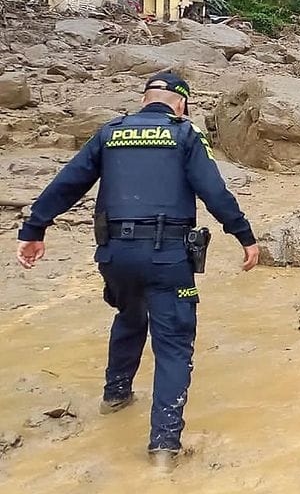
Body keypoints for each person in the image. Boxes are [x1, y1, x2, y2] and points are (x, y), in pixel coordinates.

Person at [15, 72, 260, 470]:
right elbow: (214, 191)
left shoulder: (110, 132)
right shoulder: (184, 134)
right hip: (167, 256)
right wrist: (245, 237)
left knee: (129, 315)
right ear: (181, 103)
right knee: (174, 346)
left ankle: (115, 396)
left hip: (115, 256)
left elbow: (67, 183)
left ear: (145, 99)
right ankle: (163, 447)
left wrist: (34, 229)